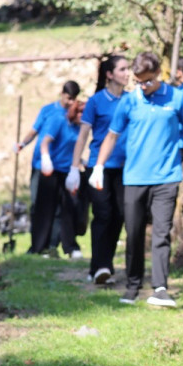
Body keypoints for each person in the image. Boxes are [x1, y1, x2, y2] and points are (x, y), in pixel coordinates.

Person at [92, 51, 183, 308]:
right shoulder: (130, 101)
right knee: (134, 233)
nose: (142, 87)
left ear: (159, 75)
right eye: (138, 81)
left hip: (167, 176)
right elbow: (112, 136)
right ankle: (133, 285)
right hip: (134, 177)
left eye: (147, 81)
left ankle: (160, 288)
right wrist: (98, 166)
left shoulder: (177, 98)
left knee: (161, 233)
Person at [69, 55, 128, 285]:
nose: (127, 73)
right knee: (103, 214)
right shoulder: (95, 102)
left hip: (126, 168)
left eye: (128, 69)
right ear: (110, 74)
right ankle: (101, 266)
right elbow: (83, 135)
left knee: (119, 216)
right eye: (122, 69)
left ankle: (104, 264)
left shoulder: (132, 100)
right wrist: (75, 168)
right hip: (99, 167)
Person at [16, 81, 81, 251]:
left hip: (62, 167)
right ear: (62, 94)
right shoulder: (49, 111)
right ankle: (37, 243)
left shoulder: (73, 117)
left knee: (61, 208)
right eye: (68, 98)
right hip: (42, 164)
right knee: (38, 204)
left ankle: (52, 244)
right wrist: (22, 144)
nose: (69, 102)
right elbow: (35, 131)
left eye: (73, 99)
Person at [32, 96, 86, 259]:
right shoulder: (59, 121)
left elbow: (75, 148)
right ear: (75, 112)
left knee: (70, 208)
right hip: (51, 170)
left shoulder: (81, 128)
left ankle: (70, 246)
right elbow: (45, 142)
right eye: (82, 114)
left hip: (68, 171)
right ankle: (42, 246)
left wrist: (79, 163)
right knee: (47, 209)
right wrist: (46, 159)